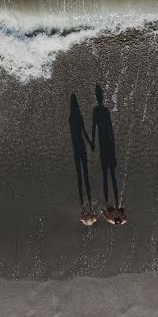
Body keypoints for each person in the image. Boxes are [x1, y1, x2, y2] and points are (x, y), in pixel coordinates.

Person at [92, 84, 120, 211]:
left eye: (100, 95)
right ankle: (110, 202)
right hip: (104, 144)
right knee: (106, 174)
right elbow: (94, 127)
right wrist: (92, 142)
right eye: (98, 95)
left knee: (110, 174)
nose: (99, 97)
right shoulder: (97, 111)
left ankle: (116, 202)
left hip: (106, 143)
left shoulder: (102, 111)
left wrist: (113, 150)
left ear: (101, 96)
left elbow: (110, 130)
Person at [68, 94, 95, 224]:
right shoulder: (78, 116)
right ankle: (87, 203)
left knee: (81, 173)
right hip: (81, 145)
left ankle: (87, 204)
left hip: (76, 146)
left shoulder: (71, 117)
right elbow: (83, 131)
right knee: (83, 172)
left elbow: (74, 132)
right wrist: (90, 143)